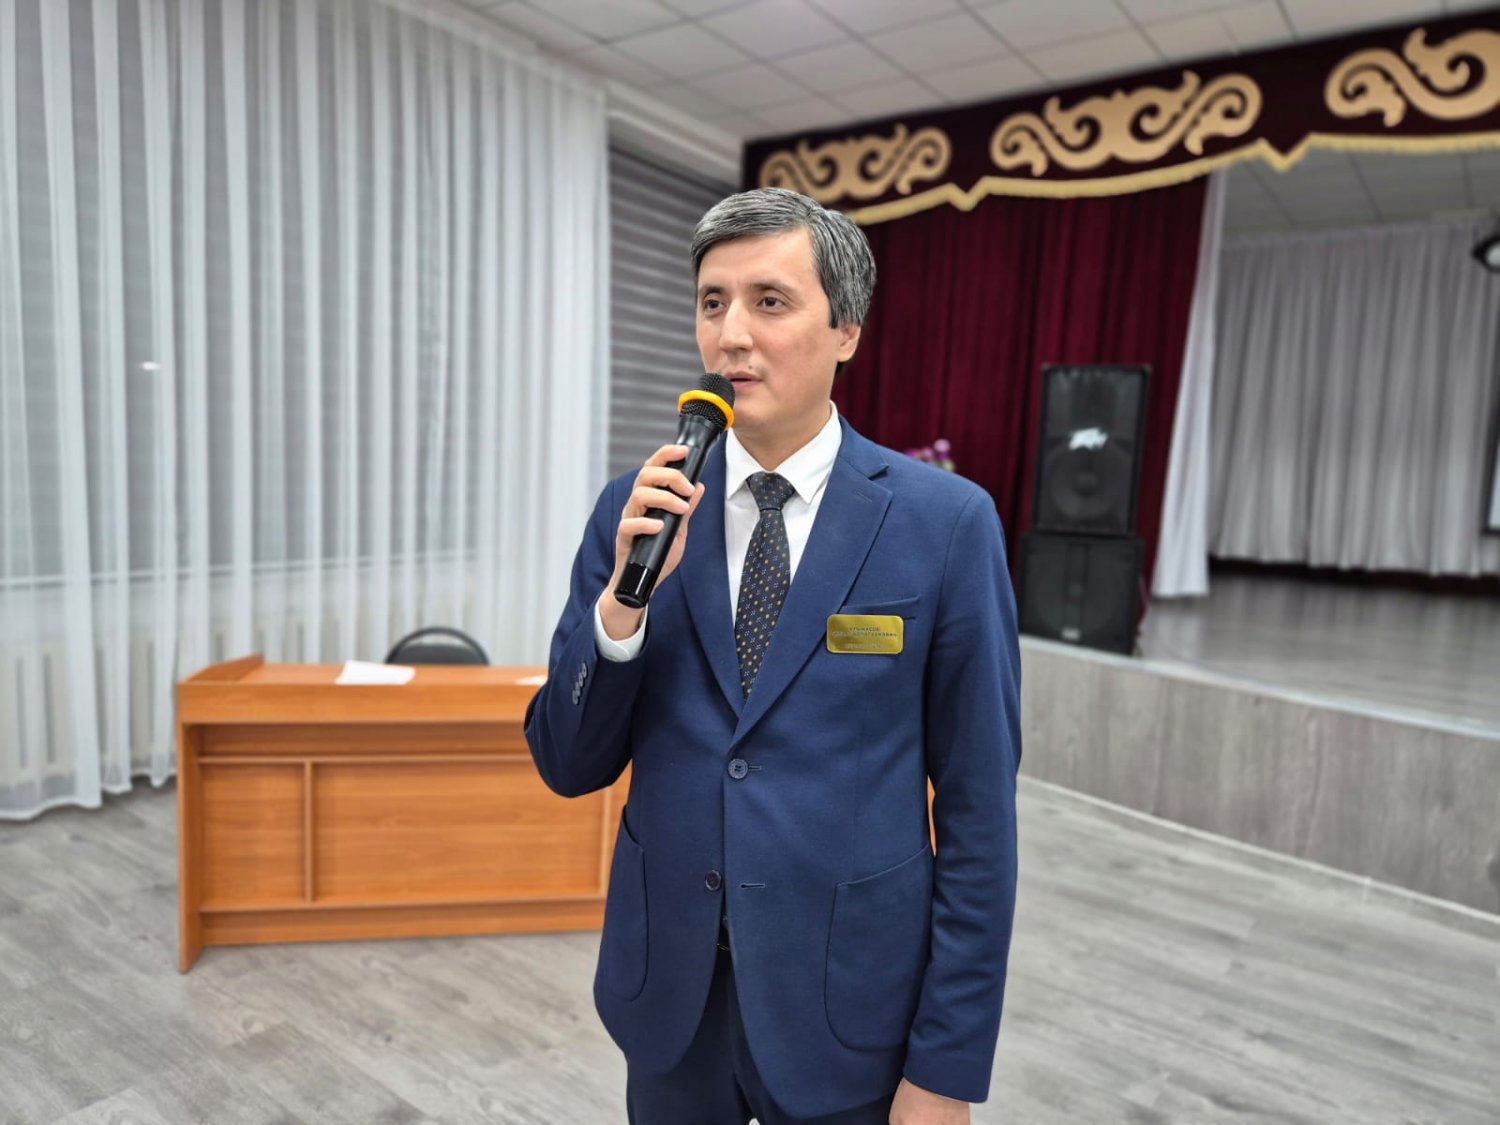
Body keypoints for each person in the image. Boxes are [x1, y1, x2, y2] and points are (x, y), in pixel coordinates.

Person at [525, 187, 1020, 1125]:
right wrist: (621, 609)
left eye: (770, 301)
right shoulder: (637, 509)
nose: (731, 336)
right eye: (713, 302)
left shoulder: (946, 524)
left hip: (849, 1004)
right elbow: (566, 761)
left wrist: (946, 1068)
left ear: (847, 331)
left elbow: (980, 815)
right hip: (669, 1000)